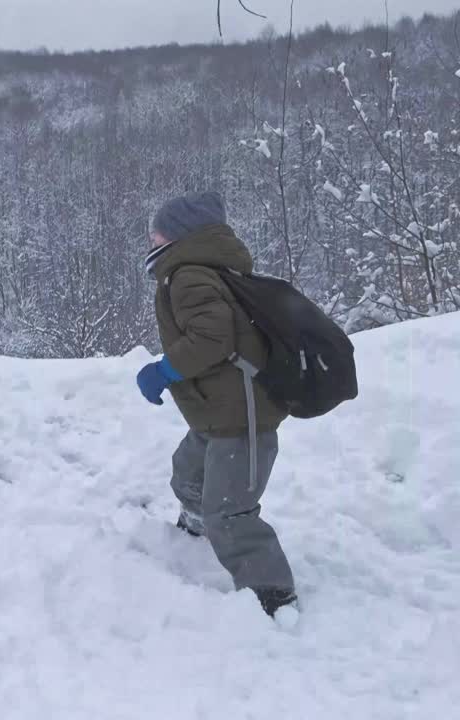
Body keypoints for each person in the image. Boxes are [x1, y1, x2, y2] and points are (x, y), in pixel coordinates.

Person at [135, 191, 298, 621]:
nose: (151, 240)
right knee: (188, 475)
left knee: (230, 509)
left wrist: (165, 371)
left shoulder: (189, 275)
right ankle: (196, 526)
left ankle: (274, 595)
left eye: (158, 233)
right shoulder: (201, 271)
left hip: (241, 418)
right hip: (218, 410)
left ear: (182, 236)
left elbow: (212, 339)